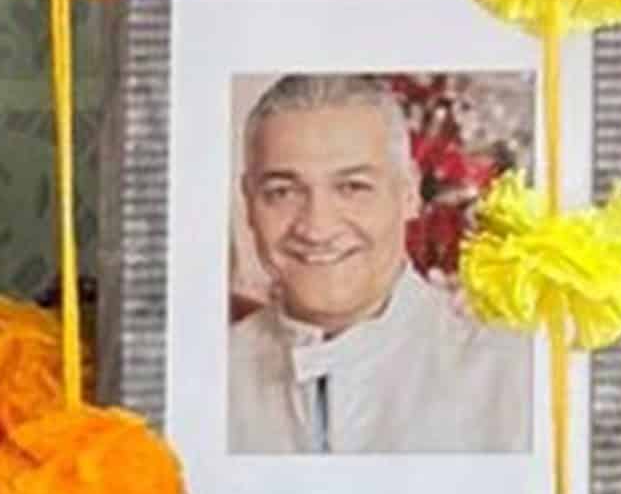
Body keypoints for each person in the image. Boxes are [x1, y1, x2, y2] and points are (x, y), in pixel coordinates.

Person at [226, 74, 533, 456]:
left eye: (353, 187)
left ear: (408, 194)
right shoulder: (208, 378)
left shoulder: (516, 379)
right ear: (249, 203)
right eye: (282, 192)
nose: (317, 227)